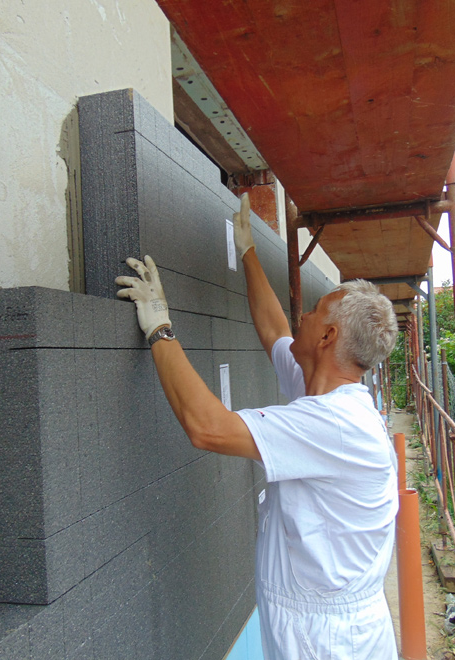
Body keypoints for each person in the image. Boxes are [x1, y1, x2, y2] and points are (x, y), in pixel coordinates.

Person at [115, 193, 400, 659]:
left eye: (314, 310)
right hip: (319, 621)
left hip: (329, 641)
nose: (302, 315)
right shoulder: (324, 389)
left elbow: (207, 427)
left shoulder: (334, 424)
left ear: (328, 338)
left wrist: (160, 328)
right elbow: (274, 331)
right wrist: (246, 250)